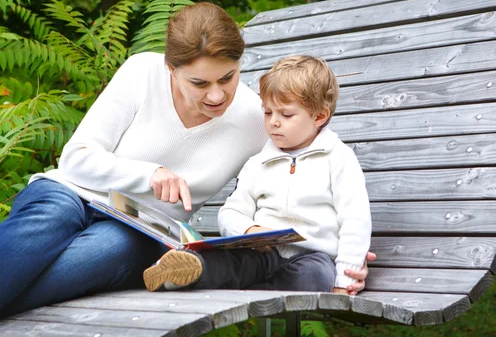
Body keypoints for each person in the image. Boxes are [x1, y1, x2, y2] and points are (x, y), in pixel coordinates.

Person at [0, 3, 372, 336]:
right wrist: (150, 174)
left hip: (140, 229)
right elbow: (76, 157)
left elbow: (302, 162)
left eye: (228, 78)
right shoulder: (142, 73)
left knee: (107, 254)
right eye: (199, 83)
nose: (217, 96)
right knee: (48, 220)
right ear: (171, 68)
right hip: (71, 193)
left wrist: (339, 248)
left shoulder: (257, 118)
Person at [143, 55, 372, 294]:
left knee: (315, 276)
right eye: (267, 112)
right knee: (232, 262)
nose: (273, 122)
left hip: (312, 256)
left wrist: (344, 281)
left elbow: (355, 221)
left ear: (319, 116)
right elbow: (231, 212)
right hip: (262, 253)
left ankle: (246, 290)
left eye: (286, 115)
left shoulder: (338, 159)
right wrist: (249, 230)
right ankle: (184, 272)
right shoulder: (258, 164)